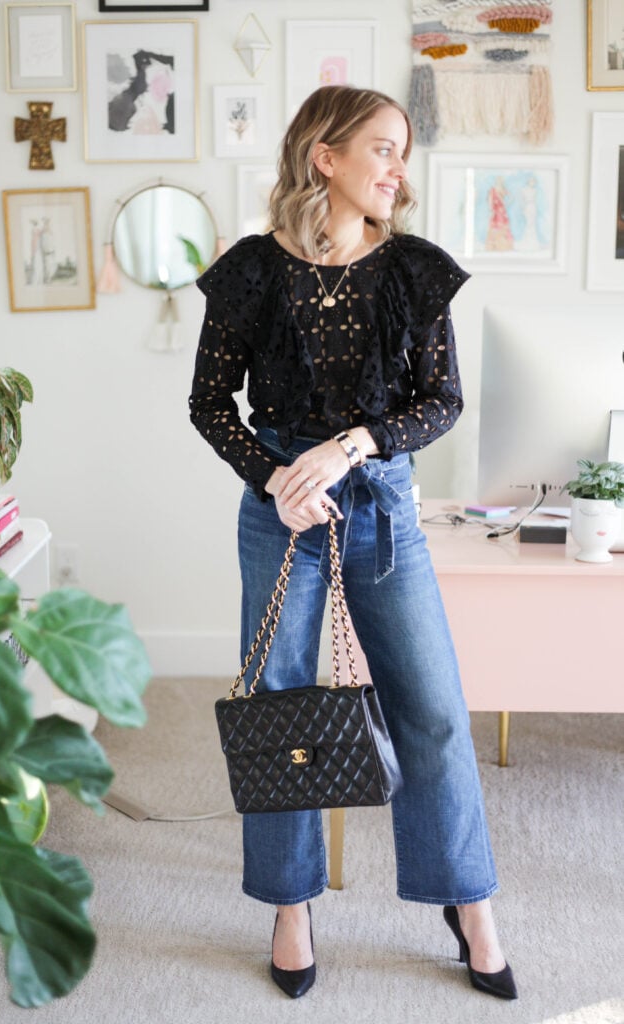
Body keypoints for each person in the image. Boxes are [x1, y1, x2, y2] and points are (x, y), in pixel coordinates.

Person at [189, 85, 517, 1002]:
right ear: (323, 156)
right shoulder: (253, 270)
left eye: (401, 152)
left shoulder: (411, 269)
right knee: (282, 711)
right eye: (380, 148)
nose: (395, 169)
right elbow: (208, 405)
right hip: (283, 511)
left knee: (433, 708)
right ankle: (291, 908)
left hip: (381, 504)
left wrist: (350, 445)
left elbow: (439, 402)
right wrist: (274, 480)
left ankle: (467, 900)